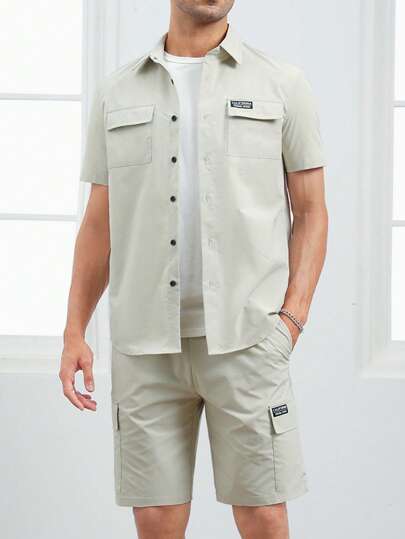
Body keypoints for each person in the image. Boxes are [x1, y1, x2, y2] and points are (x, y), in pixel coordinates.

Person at [59, 1, 328, 537]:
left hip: (248, 340)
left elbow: (313, 210)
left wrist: (291, 322)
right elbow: (99, 222)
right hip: (145, 347)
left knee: (263, 516)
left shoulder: (282, 84)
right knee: (156, 521)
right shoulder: (117, 92)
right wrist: (74, 331)